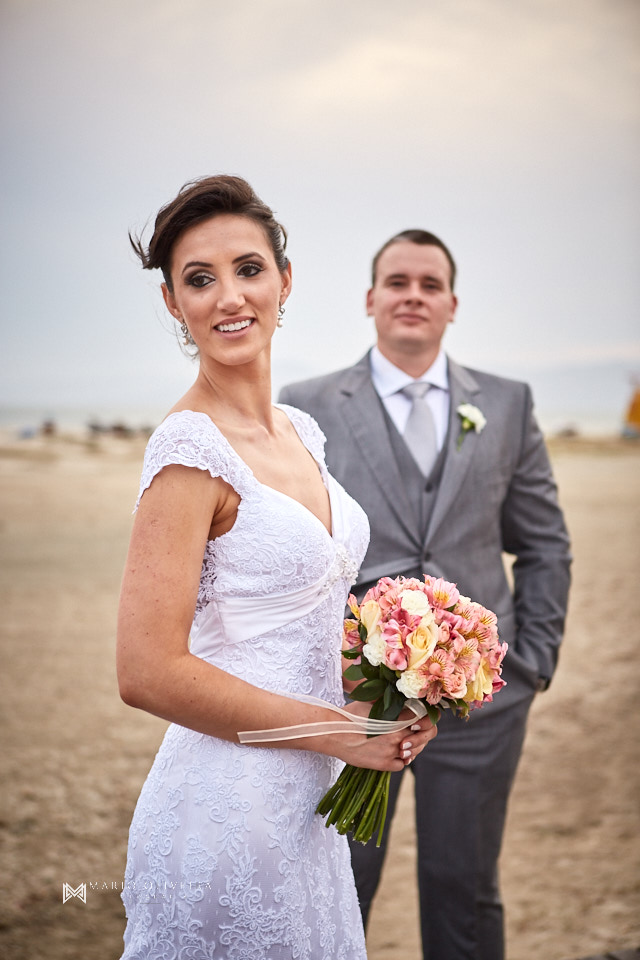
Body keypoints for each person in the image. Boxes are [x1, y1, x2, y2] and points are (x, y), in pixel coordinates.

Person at [116, 179, 437, 960]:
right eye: (200, 279)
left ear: (284, 282)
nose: (229, 297)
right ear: (172, 303)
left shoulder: (301, 431)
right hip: (226, 807)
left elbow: (300, 621)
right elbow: (146, 672)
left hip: (309, 813)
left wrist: (391, 695)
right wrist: (339, 734)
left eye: (249, 269)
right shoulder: (189, 451)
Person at [279, 228, 572, 960]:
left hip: (481, 705)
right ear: (370, 298)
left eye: (430, 284)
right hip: (349, 700)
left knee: (465, 889)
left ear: (452, 304)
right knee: (336, 885)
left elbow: (544, 543)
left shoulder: (505, 404)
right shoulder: (306, 405)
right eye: (398, 282)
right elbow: (292, 552)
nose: (413, 296)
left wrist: (531, 665)